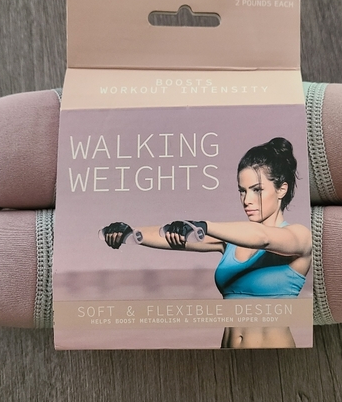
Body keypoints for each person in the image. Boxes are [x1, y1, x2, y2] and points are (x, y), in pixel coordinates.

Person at [102, 137, 312, 348]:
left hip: (274, 358)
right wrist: (130, 232)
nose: (247, 200)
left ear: (281, 189)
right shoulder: (230, 241)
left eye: (257, 190)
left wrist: (204, 225)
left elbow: (263, 237)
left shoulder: (299, 236)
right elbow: (173, 237)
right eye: (242, 191)